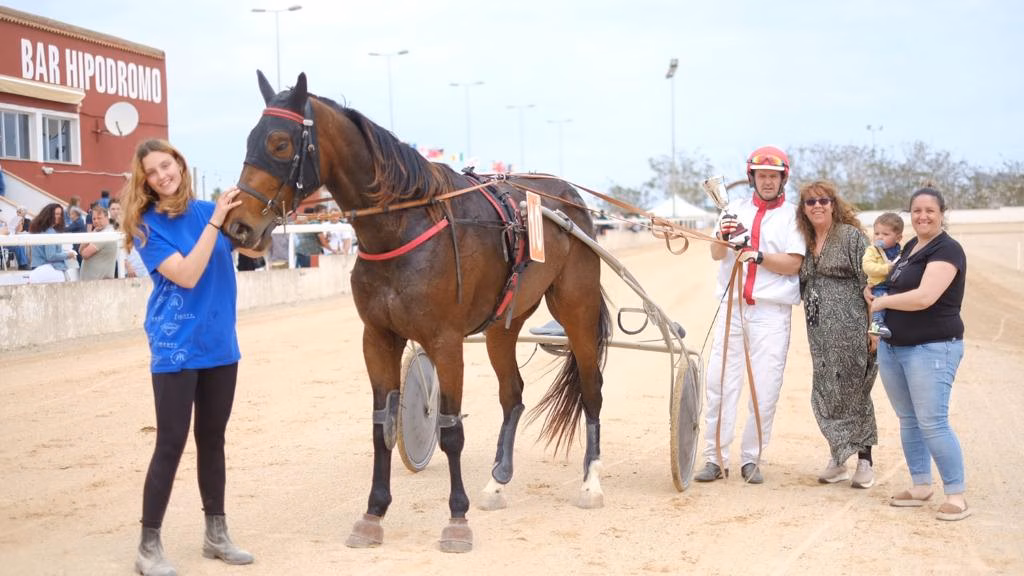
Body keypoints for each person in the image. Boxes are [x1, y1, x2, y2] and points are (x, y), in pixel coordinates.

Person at [121, 139, 257, 574]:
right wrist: (217, 221)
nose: (163, 175)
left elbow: (253, 249)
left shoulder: (206, 210)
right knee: (171, 442)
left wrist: (262, 215)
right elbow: (186, 272)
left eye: (167, 165)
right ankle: (148, 546)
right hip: (175, 344)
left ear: (179, 164)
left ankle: (216, 534)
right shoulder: (146, 225)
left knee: (212, 439)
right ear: (145, 182)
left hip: (220, 342)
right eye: (153, 172)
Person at [694, 146, 806, 485]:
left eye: (773, 176)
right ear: (752, 178)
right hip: (732, 308)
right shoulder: (733, 208)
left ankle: (751, 459)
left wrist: (757, 256)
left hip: (770, 312)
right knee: (719, 382)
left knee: (765, 387)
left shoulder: (793, 216)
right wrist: (723, 237)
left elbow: (794, 264)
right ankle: (715, 458)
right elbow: (716, 254)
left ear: (782, 178)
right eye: (762, 176)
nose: (768, 181)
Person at [869, 187, 970, 521]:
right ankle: (921, 485)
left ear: (942, 213)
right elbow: (892, 278)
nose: (922, 216)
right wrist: (874, 286)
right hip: (895, 347)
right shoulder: (912, 246)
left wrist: (881, 302)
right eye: (916, 211)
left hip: (932, 347)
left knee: (933, 422)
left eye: (929, 210)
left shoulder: (947, 249)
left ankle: (956, 494)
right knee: (909, 420)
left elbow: (925, 297)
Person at [796, 180, 878, 488]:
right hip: (819, 334)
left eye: (824, 200)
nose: (817, 206)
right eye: (810, 202)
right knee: (827, 392)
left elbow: (872, 284)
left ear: (834, 204)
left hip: (852, 328)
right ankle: (838, 458)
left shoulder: (851, 237)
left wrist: (874, 327)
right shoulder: (803, 242)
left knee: (856, 392)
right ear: (803, 209)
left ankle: (865, 460)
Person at [863, 212, 904, 338]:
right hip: (879, 284)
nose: (879, 237)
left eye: (885, 234)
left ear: (898, 238)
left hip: (893, 284)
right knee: (879, 300)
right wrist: (886, 269)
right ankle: (876, 324)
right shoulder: (872, 250)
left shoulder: (899, 250)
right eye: (876, 233)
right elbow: (867, 266)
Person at [28, 203, 76, 282]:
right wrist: (68, 255)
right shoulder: (50, 232)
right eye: (56, 214)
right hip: (48, 270)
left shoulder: (38, 230)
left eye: (60, 214)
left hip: (36, 268)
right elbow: (51, 256)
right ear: (49, 215)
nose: (59, 216)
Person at [79, 205, 117, 280]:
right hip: (93, 283)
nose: (96, 221)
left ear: (107, 218)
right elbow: (80, 250)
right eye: (94, 219)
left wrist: (90, 236)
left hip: (98, 283)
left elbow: (84, 254)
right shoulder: (98, 232)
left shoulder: (105, 234)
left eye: (99, 218)